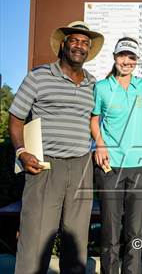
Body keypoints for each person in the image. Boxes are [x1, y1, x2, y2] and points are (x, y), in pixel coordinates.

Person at [8, 21, 104, 273]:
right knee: (35, 237)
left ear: (89, 50)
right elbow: (16, 118)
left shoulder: (94, 84)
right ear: (63, 45)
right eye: (74, 40)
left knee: (76, 240)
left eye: (85, 43)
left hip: (81, 166)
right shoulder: (38, 76)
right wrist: (21, 151)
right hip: (44, 165)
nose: (79, 46)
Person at [90, 37, 142, 274]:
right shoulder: (102, 87)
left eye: (132, 57)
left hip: (139, 166)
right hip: (110, 167)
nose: (126, 61)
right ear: (115, 57)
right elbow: (94, 119)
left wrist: (133, 135)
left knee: (135, 232)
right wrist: (101, 144)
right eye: (123, 56)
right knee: (110, 229)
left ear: (137, 61)